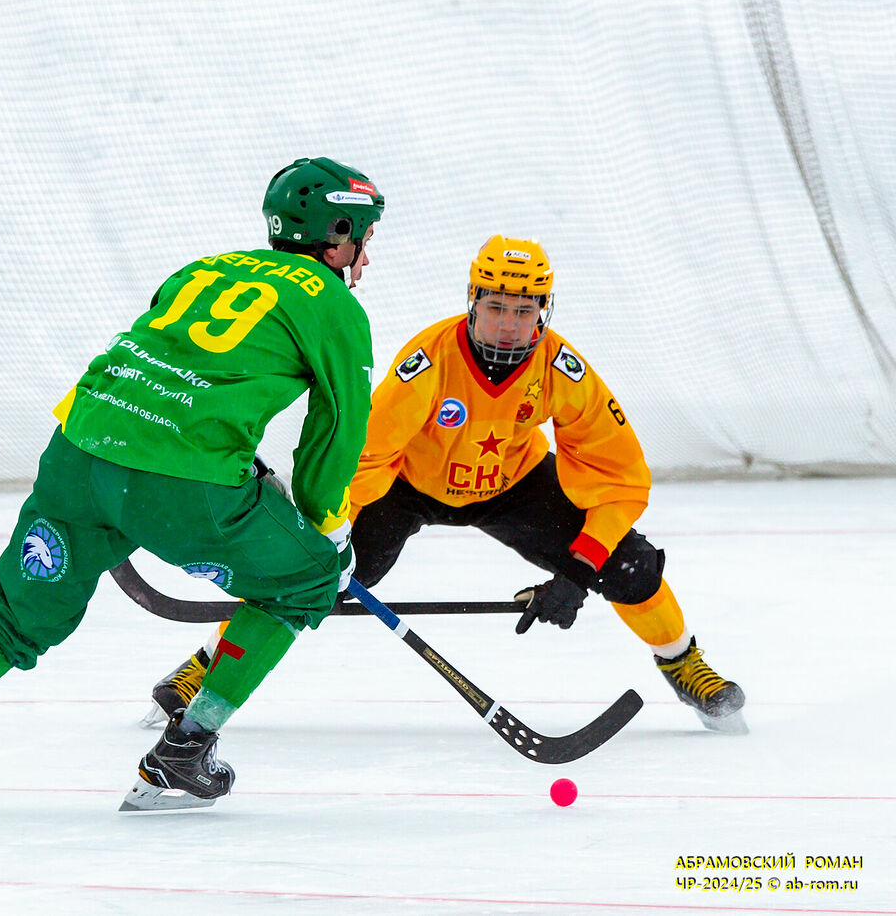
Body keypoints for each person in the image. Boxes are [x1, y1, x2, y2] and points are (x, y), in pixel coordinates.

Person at [0, 157, 385, 812]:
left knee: (13, 615)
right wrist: (326, 529)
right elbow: (337, 430)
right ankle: (183, 753)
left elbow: (172, 364)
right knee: (303, 581)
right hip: (183, 486)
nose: (366, 257)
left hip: (79, 453)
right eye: (364, 238)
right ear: (337, 234)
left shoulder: (205, 268)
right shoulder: (334, 305)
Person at [147, 235, 746, 735]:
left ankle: (683, 663)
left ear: (544, 311)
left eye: (524, 311)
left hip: (513, 484)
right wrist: (327, 534)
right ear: (473, 302)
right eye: (496, 308)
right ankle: (207, 664)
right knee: (312, 578)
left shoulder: (563, 369)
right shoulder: (428, 362)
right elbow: (365, 455)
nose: (509, 325)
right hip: (407, 485)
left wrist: (579, 567)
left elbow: (618, 477)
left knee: (631, 564)